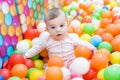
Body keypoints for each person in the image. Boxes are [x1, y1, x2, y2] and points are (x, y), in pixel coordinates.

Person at [24, 8, 97, 79]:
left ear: (67, 25)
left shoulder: (71, 38)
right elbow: (36, 48)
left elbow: (82, 43)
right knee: (49, 70)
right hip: (55, 65)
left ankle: (75, 76)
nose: (58, 30)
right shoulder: (46, 40)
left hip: (70, 62)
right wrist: (26, 55)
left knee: (76, 67)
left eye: (61, 26)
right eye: (53, 27)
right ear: (47, 30)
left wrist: (92, 47)